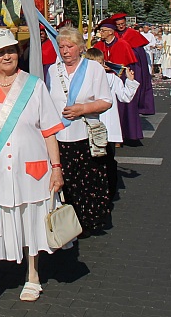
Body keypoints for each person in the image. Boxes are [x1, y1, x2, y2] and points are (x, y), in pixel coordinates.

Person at [0, 28, 64, 316]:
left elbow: (49, 131)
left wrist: (56, 168)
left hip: (33, 171)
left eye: (10, 50)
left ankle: (33, 277)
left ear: (18, 52)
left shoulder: (34, 86)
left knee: (32, 222)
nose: (6, 56)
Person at [44, 27, 112, 235]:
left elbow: (106, 101)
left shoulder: (93, 69)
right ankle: (67, 222)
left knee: (87, 182)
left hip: (84, 135)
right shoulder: (53, 71)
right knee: (65, 181)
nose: (65, 51)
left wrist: (83, 108)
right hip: (59, 137)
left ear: (81, 48)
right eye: (61, 47)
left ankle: (87, 222)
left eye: (70, 46)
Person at [82, 47, 135, 201]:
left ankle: (110, 191)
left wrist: (130, 81)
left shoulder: (111, 79)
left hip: (108, 126)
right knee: (93, 160)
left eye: (101, 63)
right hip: (90, 126)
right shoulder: (83, 81)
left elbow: (125, 97)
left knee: (108, 159)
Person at [93, 20, 143, 142]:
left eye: (103, 31)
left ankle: (122, 134)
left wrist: (113, 67)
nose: (101, 33)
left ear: (111, 32)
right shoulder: (98, 46)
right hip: (101, 79)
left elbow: (128, 64)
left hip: (118, 79)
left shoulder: (123, 44)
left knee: (121, 108)